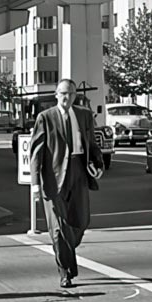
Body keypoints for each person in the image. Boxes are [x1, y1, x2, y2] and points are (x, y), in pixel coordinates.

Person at [29, 78, 103, 289]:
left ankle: (68, 251)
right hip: (53, 177)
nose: (66, 97)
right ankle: (65, 272)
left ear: (75, 96)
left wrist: (98, 165)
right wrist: (36, 183)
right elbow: (36, 151)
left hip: (79, 171)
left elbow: (92, 144)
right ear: (56, 95)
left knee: (81, 221)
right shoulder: (45, 117)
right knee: (58, 228)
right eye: (63, 93)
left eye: (70, 94)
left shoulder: (85, 115)